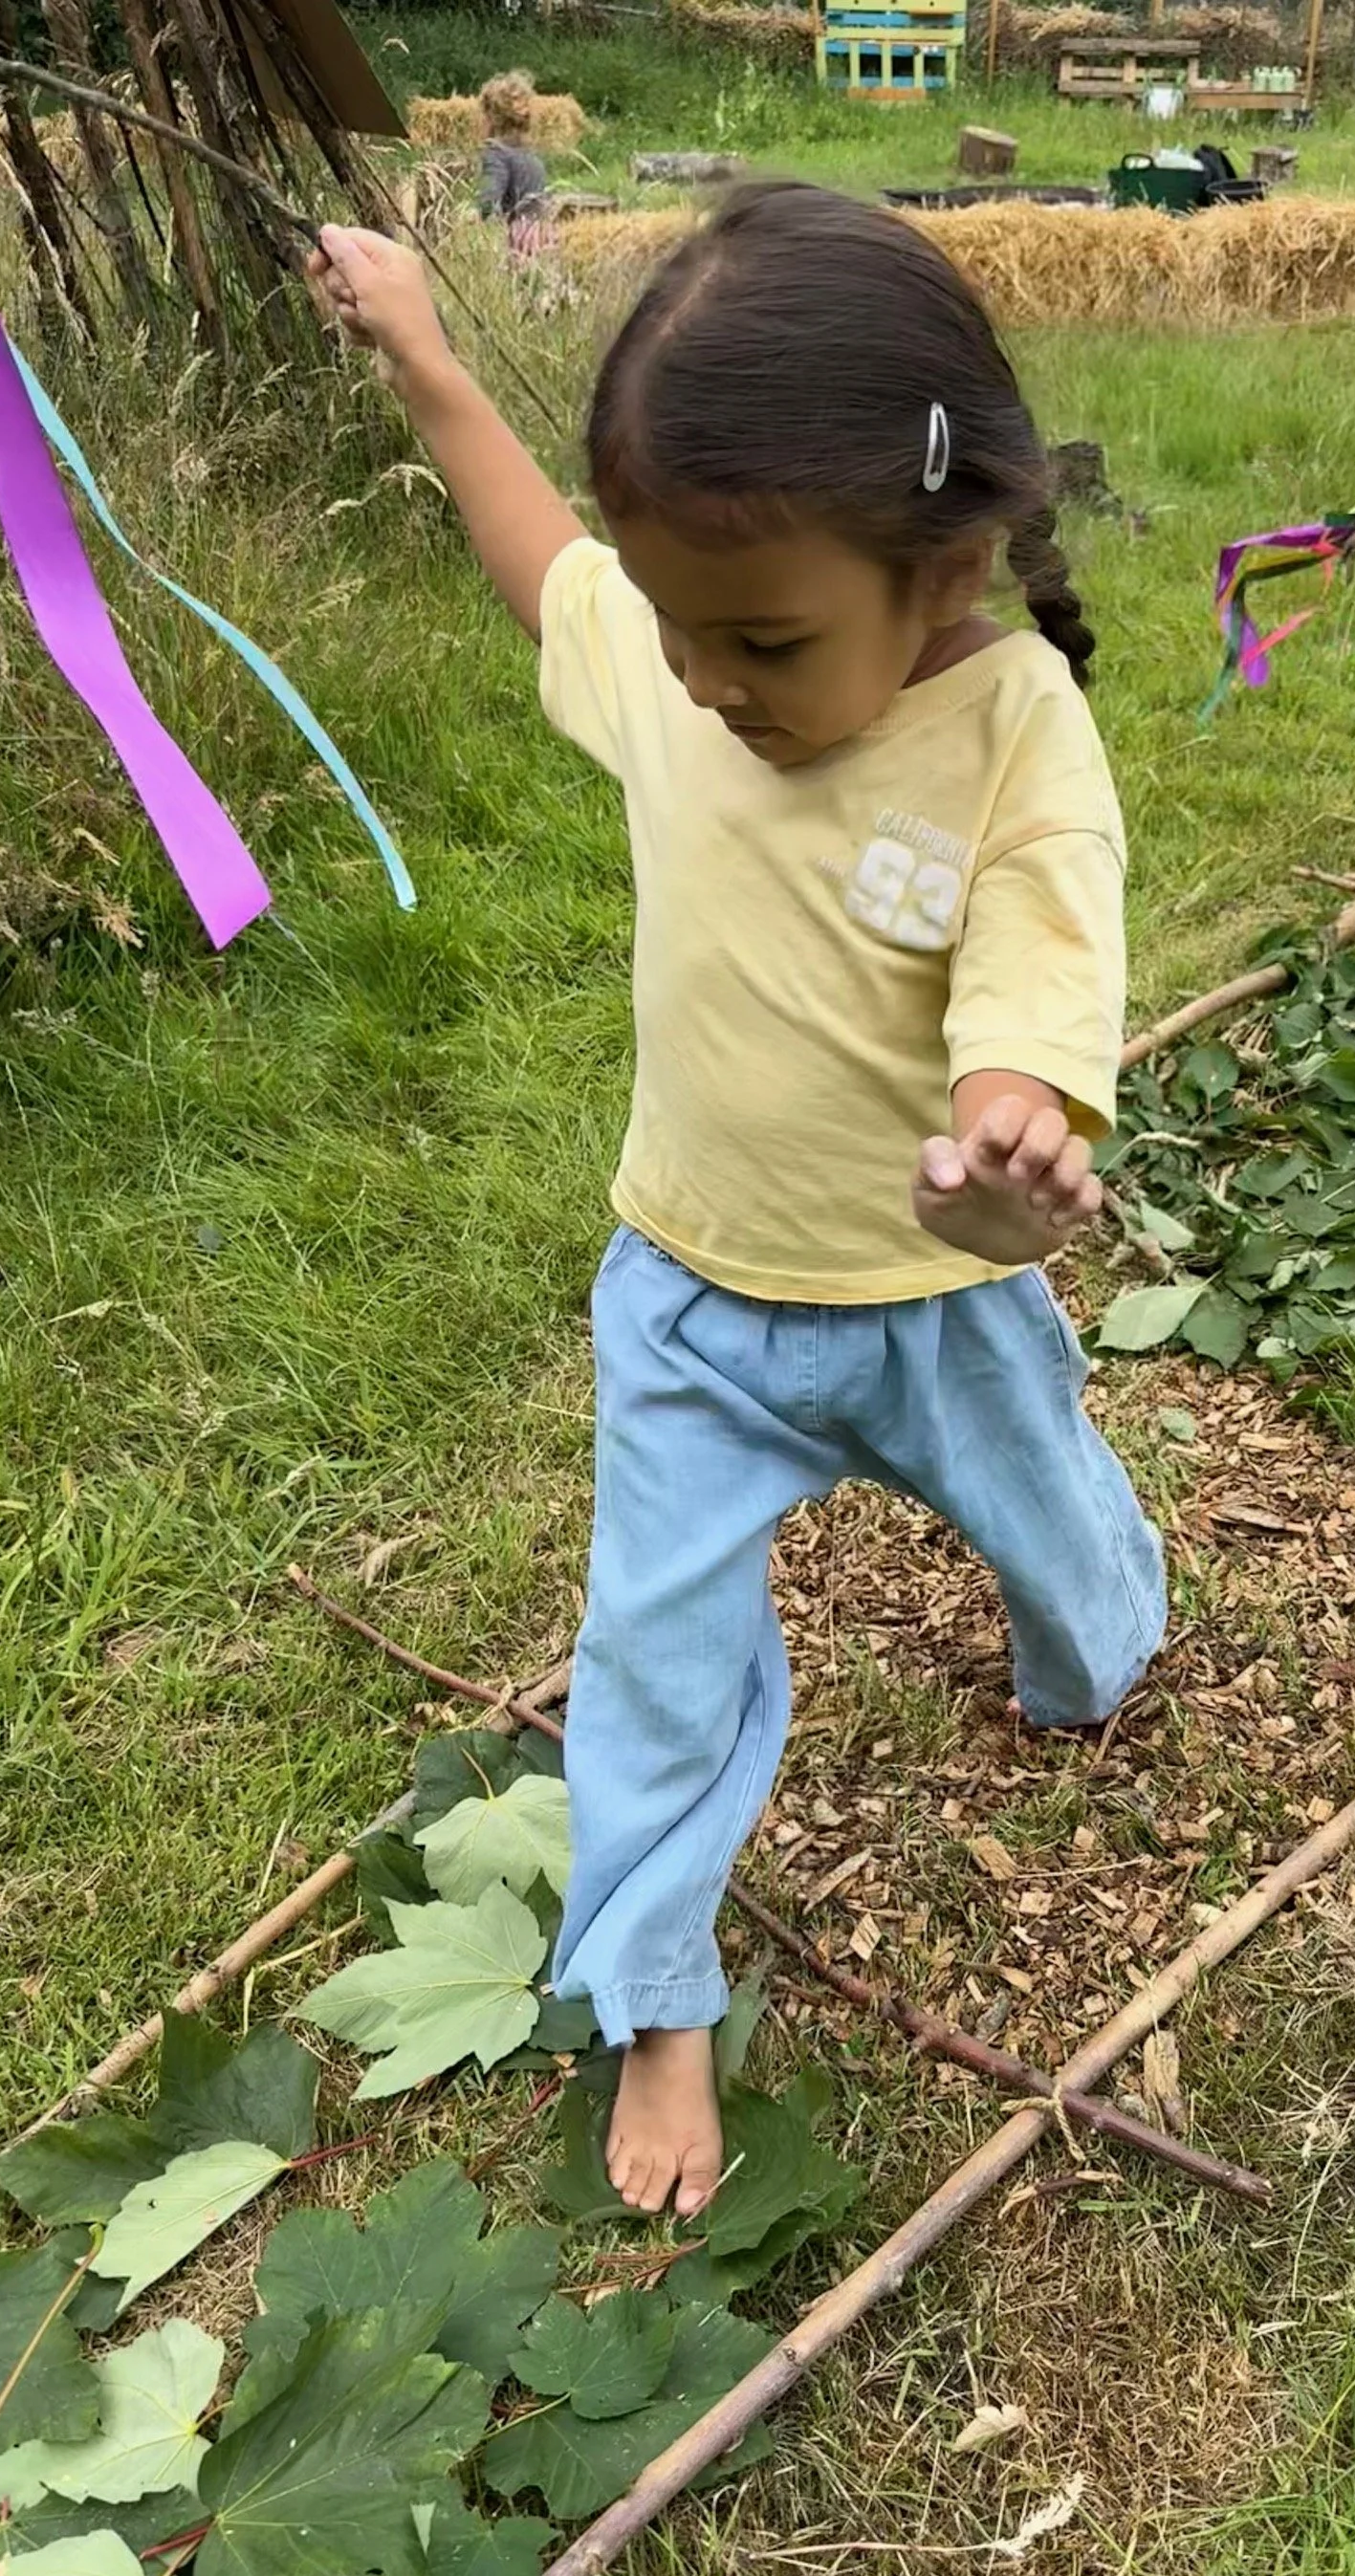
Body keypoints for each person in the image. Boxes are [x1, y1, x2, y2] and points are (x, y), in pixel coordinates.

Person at [305, 184, 1167, 2220]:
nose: (695, 681)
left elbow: (1035, 963)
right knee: (653, 1648)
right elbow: (552, 570)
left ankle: (1095, 1664)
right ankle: (659, 1992)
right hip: (686, 1295)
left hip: (927, 1297)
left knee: (1056, 1536)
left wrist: (1011, 1122)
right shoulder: (690, 646)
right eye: (682, 626)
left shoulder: (1010, 727)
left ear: (943, 564)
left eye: (761, 639)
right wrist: (430, 359)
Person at [477, 70, 551, 260]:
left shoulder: (496, 152)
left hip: (516, 245)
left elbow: (489, 205)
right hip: (542, 238)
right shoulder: (531, 153)